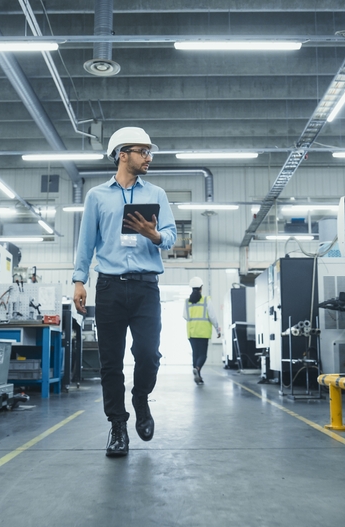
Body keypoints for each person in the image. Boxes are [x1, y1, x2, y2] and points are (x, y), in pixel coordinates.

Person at [72, 127, 177, 457]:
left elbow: (172, 236)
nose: (149, 158)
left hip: (146, 287)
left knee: (149, 355)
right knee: (110, 363)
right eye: (143, 151)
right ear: (122, 154)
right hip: (109, 288)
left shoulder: (157, 194)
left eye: (150, 152)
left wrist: (155, 235)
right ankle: (118, 426)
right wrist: (79, 281)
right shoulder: (97, 197)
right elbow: (86, 242)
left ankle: (141, 398)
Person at [183, 277, 222, 385]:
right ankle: (198, 368)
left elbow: (185, 316)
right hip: (203, 332)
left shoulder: (187, 302)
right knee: (203, 355)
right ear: (201, 288)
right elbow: (212, 316)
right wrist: (217, 329)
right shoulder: (206, 300)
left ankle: (198, 375)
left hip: (192, 332)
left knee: (195, 354)